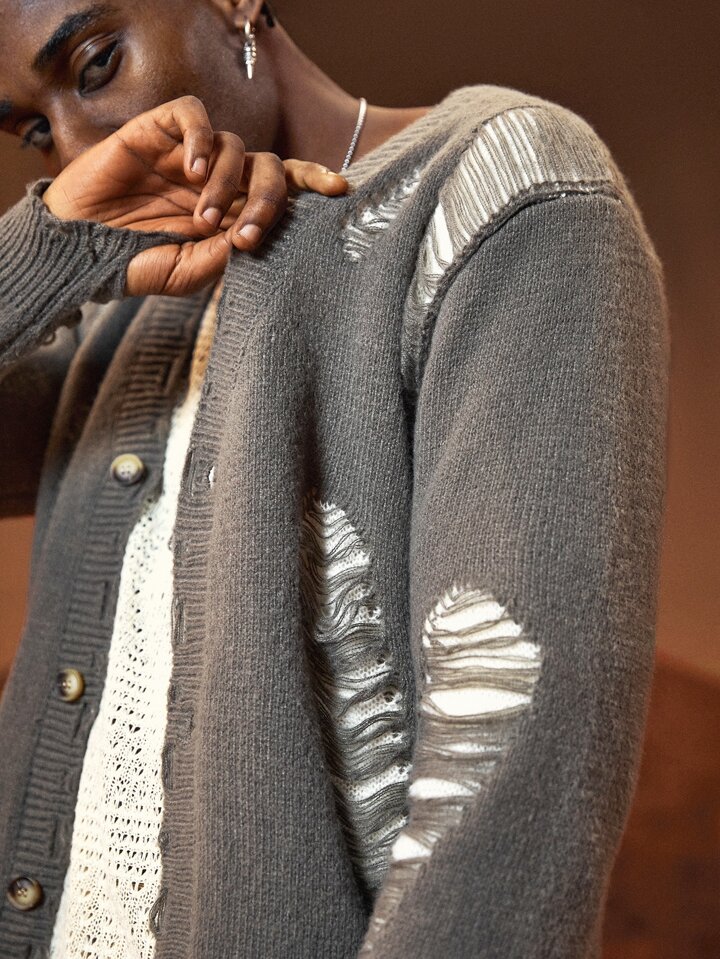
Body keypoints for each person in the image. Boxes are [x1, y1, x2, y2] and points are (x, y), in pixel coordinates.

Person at [0, 0, 670, 957]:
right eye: (34, 132)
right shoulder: (121, 306)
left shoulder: (504, 193)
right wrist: (51, 244)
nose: (73, 148)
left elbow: (510, 793)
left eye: (96, 64)